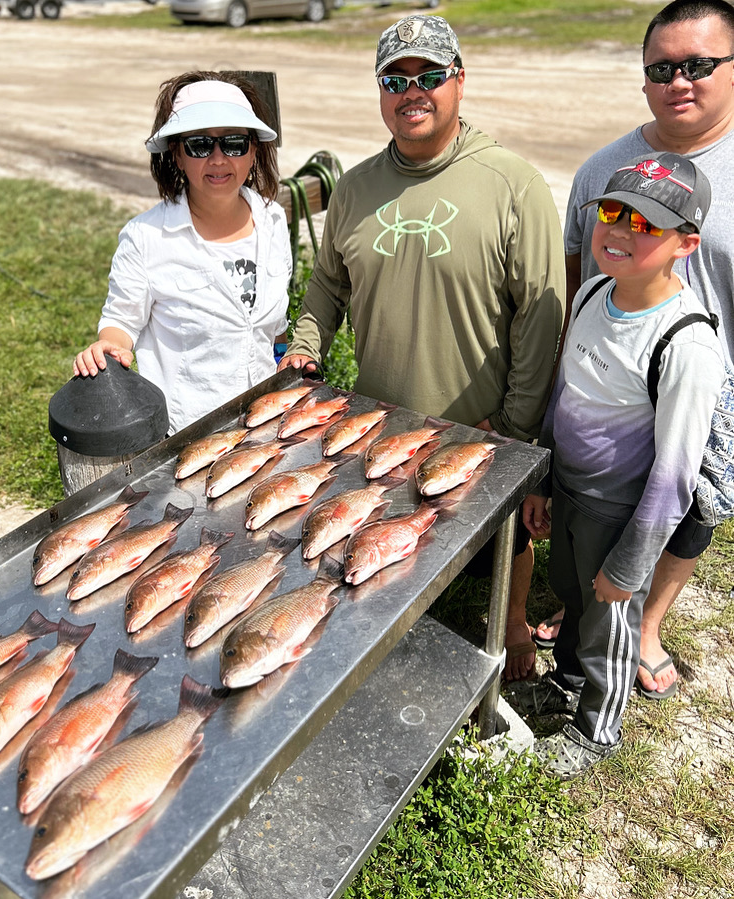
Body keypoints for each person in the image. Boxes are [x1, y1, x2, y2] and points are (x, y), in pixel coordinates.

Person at [278, 14, 565, 681]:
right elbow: (326, 285)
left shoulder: (511, 184)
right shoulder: (354, 187)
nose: (414, 91)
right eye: (395, 79)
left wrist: (513, 426)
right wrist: (304, 344)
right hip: (380, 421)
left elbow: (538, 320)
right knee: (384, 534)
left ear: (458, 82)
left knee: (506, 537)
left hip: (480, 424)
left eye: (430, 76)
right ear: (380, 91)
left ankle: (513, 621)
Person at [533, 0, 734, 699]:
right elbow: (576, 277)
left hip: (710, 375)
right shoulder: (603, 169)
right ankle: (588, 606)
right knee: (598, 507)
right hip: (614, 369)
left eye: (699, 65)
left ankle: (642, 623)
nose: (679, 80)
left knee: (689, 504)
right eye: (661, 68)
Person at [517, 153, 725, 779]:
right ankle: (570, 682)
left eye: (646, 223)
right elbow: (566, 392)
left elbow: (675, 476)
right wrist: (546, 481)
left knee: (611, 617)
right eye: (612, 212)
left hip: (622, 510)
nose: (621, 230)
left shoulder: (685, 343)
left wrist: (632, 564)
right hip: (573, 492)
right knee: (574, 597)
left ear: (686, 244)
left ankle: (597, 729)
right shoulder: (591, 292)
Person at [73, 72, 292, 434]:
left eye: (234, 143)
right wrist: (107, 349)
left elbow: (275, 330)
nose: (219, 159)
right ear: (176, 153)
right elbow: (121, 323)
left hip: (270, 423)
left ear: (254, 151)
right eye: (199, 145)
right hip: (190, 435)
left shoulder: (273, 221)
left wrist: (286, 368)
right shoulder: (145, 237)